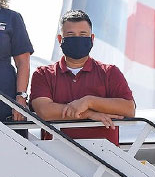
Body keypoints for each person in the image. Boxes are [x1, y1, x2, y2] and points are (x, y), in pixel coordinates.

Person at [30, 10, 136, 144]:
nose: (77, 38)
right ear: (60, 39)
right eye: (71, 34)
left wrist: (88, 101)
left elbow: (128, 109)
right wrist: (89, 114)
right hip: (56, 156)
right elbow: (45, 111)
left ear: (92, 38)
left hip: (104, 157)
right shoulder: (43, 74)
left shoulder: (110, 73)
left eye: (82, 34)